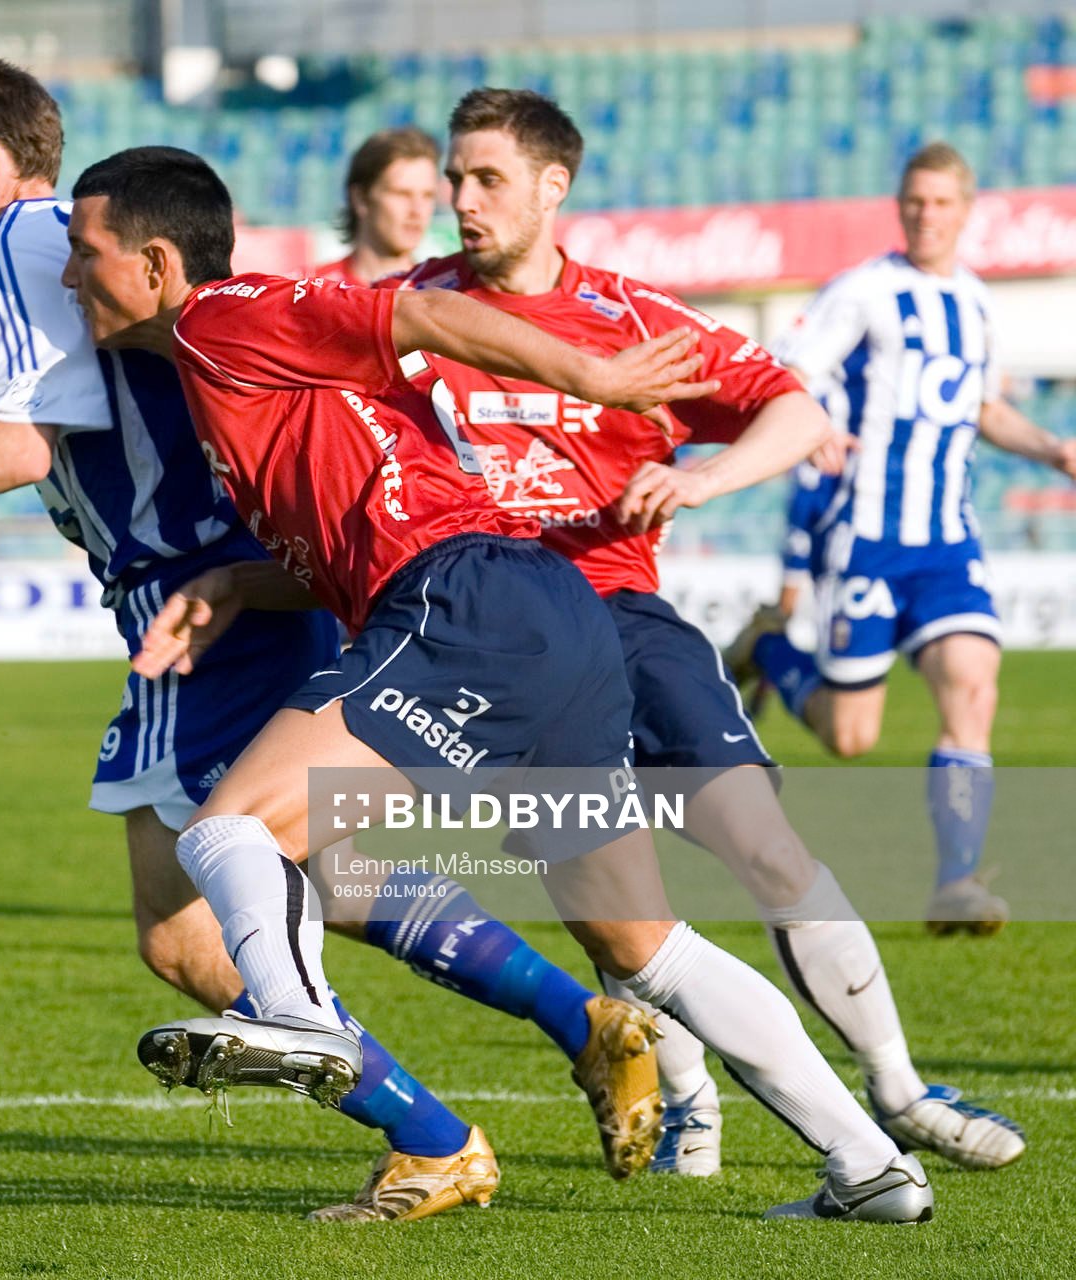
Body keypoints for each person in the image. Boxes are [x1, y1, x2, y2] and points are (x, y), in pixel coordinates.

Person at [0, 58, 664, 1218]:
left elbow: (25, 444)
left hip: (202, 600)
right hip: (209, 592)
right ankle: (574, 1023)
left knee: (193, 931)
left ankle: (435, 1132)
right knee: (325, 877)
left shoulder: (26, 250)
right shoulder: (58, 246)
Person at [64, 143, 933, 1223]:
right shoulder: (224, 370)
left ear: (153, 262)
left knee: (230, 829)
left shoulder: (217, 317)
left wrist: (597, 377)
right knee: (643, 949)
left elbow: (419, 322)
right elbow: (350, 505)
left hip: (461, 601)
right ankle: (870, 1165)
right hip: (549, 612)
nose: (66, 274)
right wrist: (244, 584)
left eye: (82, 250)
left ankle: (301, 1021)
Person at [385, 88, 1023, 1175]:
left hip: (624, 614)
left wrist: (700, 475)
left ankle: (901, 1088)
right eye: (454, 177)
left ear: (554, 187)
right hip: (496, 643)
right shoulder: (410, 311)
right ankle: (697, 1100)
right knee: (616, 911)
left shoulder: (634, 319)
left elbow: (799, 409)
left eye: (485, 177)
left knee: (766, 846)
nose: (460, 199)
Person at [731, 142, 1076, 934]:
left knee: (972, 685)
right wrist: (809, 429)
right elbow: (789, 370)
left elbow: (984, 409)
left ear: (966, 209)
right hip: (867, 539)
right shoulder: (865, 292)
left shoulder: (980, 305)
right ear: (901, 207)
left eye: (941, 203)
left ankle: (956, 881)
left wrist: (1052, 449)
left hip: (948, 540)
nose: (925, 214)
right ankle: (771, 650)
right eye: (914, 201)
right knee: (851, 737)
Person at [310, 126, 442, 287]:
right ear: (360, 199)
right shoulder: (312, 292)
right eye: (402, 194)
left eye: (427, 196)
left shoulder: (444, 295)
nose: (417, 211)